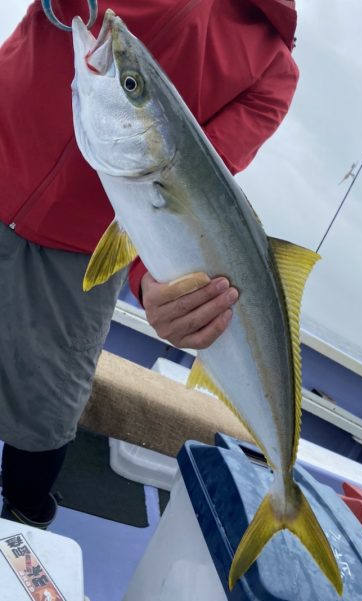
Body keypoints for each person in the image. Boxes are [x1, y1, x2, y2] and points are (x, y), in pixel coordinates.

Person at [0, 0, 299, 527]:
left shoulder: (272, 71)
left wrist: (157, 284)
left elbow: (188, 198)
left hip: (83, 257)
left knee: (42, 424)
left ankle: (22, 521)